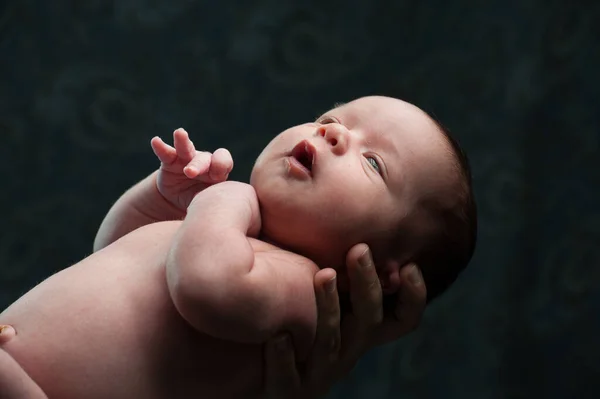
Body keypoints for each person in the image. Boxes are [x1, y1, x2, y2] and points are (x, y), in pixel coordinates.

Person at [0, 95, 475, 399]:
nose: (333, 132)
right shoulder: (232, 235)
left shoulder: (305, 289)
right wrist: (163, 198)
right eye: (329, 118)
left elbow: (207, 287)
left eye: (373, 163)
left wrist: (219, 199)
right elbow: (110, 251)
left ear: (378, 270)